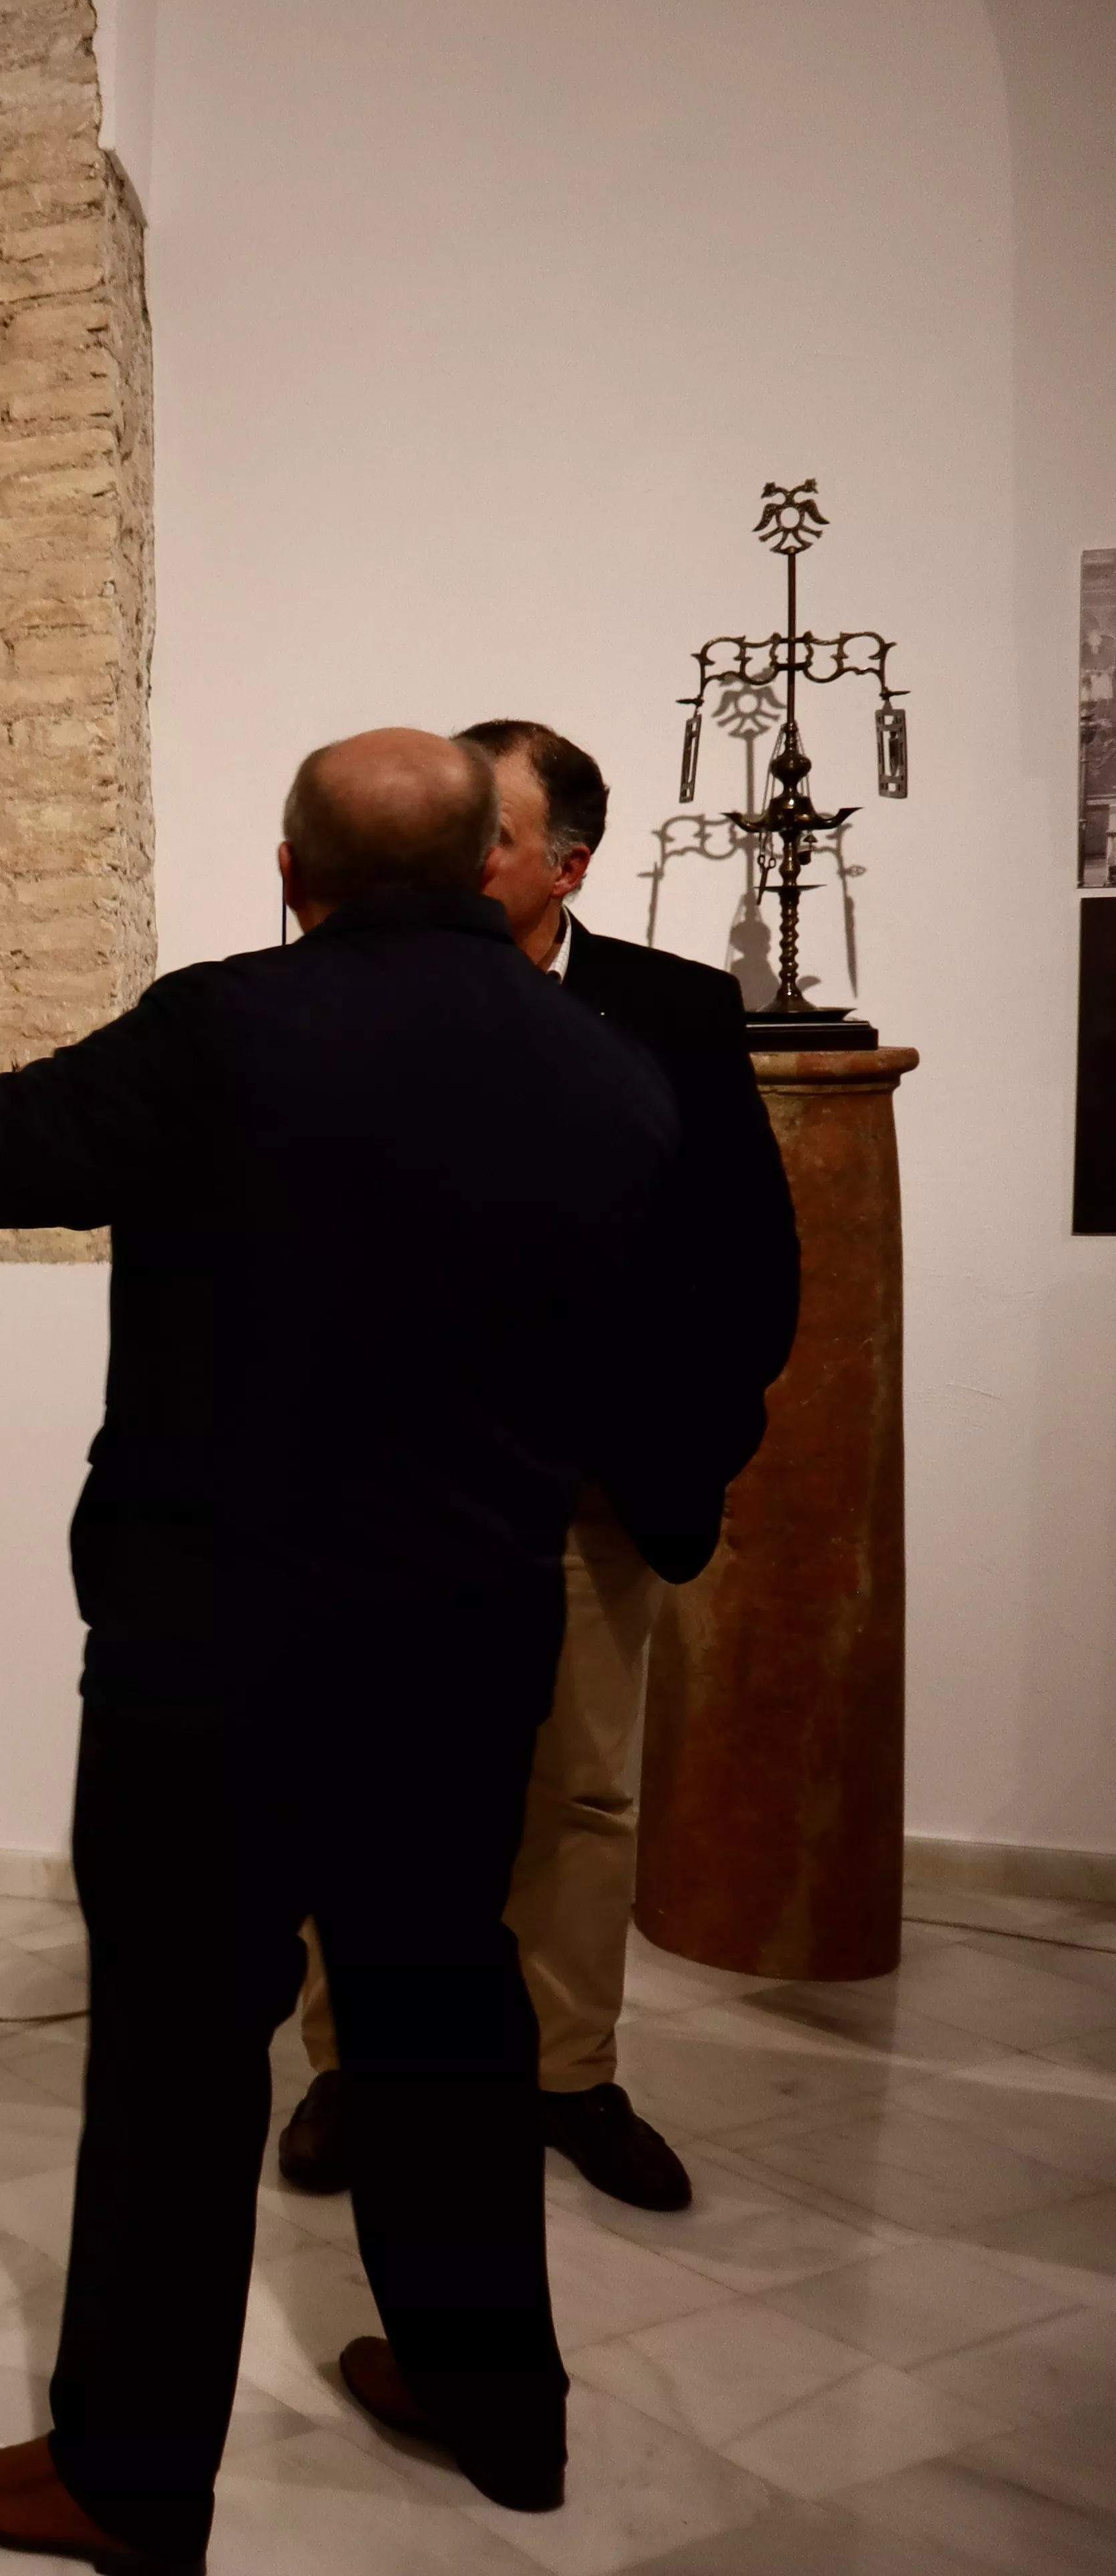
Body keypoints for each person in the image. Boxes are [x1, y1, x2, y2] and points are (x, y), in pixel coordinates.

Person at [0, 730, 674, 2569]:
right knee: (448, 2025)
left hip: (220, 1659)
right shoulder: (605, 1079)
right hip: (461, 1656)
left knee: (183, 2063)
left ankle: (129, 2476)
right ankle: (501, 2405)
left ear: (292, 872)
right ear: (486, 870)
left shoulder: (230, 1034)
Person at [278, 719, 798, 2217]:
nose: (461, 850)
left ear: (567, 862)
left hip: (587, 1479)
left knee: (577, 1793)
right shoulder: (337, 994)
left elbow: (751, 1259)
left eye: (490, 832)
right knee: (364, 1783)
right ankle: (351, 2064)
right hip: (377, 1486)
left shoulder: (672, 1009)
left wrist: (693, 1429)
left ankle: (568, 2073)